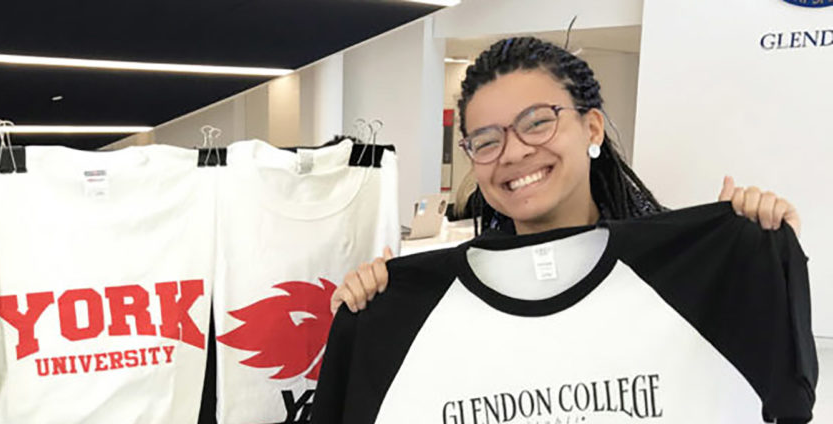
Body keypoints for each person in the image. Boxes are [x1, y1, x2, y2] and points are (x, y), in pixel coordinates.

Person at [332, 36, 801, 313]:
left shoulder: (668, 272)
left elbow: (756, 408)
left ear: (591, 127)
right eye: (487, 140)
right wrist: (367, 313)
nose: (513, 153)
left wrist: (762, 258)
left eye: (537, 122)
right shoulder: (453, 296)